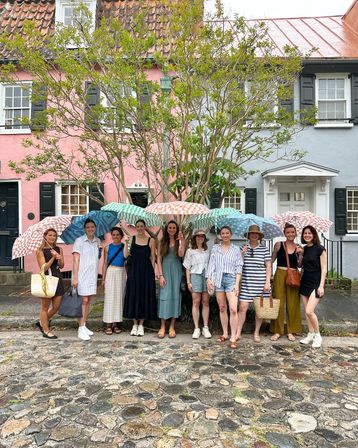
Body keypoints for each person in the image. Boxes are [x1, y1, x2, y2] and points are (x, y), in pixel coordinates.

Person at [206, 226, 242, 349]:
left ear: (231, 235)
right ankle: (225, 333)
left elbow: (239, 267)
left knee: (233, 309)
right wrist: (209, 279)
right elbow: (211, 265)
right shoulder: (215, 248)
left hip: (231, 279)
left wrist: (237, 284)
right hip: (218, 279)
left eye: (227, 233)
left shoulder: (236, 249)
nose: (225, 235)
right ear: (220, 235)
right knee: (222, 307)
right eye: (223, 233)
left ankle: (233, 336)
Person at [236, 224, 271, 343]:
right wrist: (242, 254)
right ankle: (238, 332)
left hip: (261, 284)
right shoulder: (243, 247)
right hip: (246, 283)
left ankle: (256, 332)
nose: (254, 235)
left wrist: (267, 282)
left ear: (259, 236)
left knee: (259, 310)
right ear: (249, 235)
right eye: (252, 233)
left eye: (256, 234)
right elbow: (237, 264)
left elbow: (268, 266)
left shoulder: (264, 249)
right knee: (242, 308)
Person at [123, 219, 157, 336]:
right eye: (137, 226)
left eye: (142, 226)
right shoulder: (131, 239)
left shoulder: (151, 240)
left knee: (143, 296)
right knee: (133, 294)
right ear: (136, 227)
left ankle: (141, 324)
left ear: (144, 227)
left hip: (146, 271)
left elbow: (152, 257)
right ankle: (134, 324)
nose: (139, 228)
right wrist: (126, 243)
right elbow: (126, 256)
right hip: (133, 271)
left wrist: (153, 273)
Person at [270, 223, 303, 341]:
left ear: (295, 233)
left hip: (293, 275)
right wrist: (264, 266)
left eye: (292, 232)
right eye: (288, 232)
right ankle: (277, 330)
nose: (290, 234)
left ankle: (291, 330)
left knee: (293, 303)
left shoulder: (298, 246)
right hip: (280, 274)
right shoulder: (278, 245)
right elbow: (272, 259)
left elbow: (299, 265)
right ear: (284, 233)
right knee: (278, 302)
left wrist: (300, 254)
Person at [72, 219, 101, 341]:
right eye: (88, 227)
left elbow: (96, 258)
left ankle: (84, 324)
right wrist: (75, 277)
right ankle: (80, 327)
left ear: (95, 228)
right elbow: (75, 260)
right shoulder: (79, 241)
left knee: (88, 300)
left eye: (92, 227)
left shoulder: (97, 241)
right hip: (81, 275)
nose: (90, 229)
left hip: (92, 275)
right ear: (85, 229)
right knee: (83, 300)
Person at [299, 225, 327, 348]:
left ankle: (318, 335)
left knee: (310, 311)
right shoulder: (304, 249)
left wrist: (321, 286)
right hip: (304, 281)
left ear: (314, 235)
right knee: (306, 311)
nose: (307, 235)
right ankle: (310, 334)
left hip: (316, 283)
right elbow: (301, 266)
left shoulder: (320, 249)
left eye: (309, 233)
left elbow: (324, 269)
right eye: (305, 233)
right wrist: (299, 254)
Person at [157, 220, 186, 339]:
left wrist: (181, 241)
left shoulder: (180, 240)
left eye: (174, 227)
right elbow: (158, 259)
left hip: (176, 271)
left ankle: (172, 326)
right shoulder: (161, 242)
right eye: (170, 227)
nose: (172, 229)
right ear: (166, 229)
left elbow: (180, 254)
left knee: (175, 296)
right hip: (165, 271)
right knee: (164, 297)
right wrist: (160, 275)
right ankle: (162, 326)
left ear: (177, 229)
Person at [35, 228, 65, 339]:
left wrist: (60, 258)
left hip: (57, 278)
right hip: (47, 279)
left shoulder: (58, 248)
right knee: (45, 307)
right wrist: (52, 257)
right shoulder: (40, 250)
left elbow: (62, 266)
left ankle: (42, 322)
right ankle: (46, 330)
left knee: (56, 306)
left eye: (54, 235)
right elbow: (43, 268)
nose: (52, 237)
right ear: (45, 236)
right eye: (50, 235)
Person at [183, 229, 211, 339]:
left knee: (205, 302)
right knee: (196, 301)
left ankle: (205, 327)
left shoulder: (208, 251)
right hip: (195, 276)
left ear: (204, 238)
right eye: (198, 236)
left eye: (202, 236)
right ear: (195, 238)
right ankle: (196, 328)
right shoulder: (190, 251)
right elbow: (187, 268)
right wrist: (188, 282)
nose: (200, 238)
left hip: (206, 276)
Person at [101, 227, 126, 335]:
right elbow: (105, 263)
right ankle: (108, 324)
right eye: (113, 234)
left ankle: (116, 324)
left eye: (117, 234)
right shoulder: (107, 248)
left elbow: (126, 261)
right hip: (111, 271)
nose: (115, 236)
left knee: (119, 297)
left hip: (121, 272)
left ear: (121, 236)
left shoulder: (125, 247)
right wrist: (103, 278)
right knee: (109, 298)